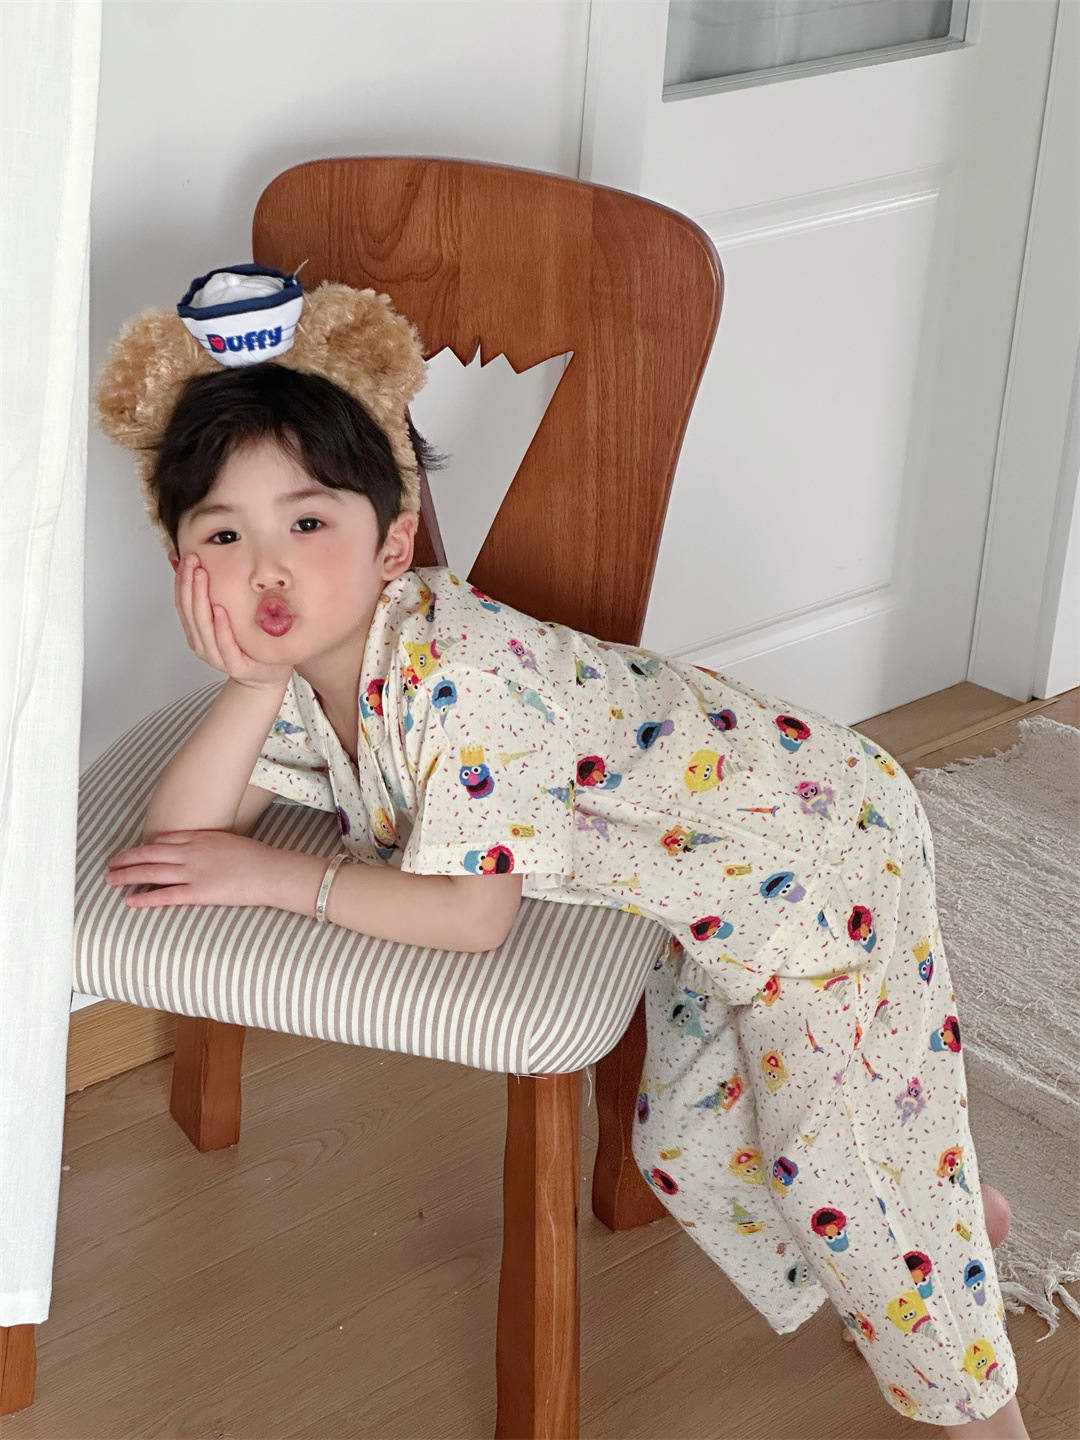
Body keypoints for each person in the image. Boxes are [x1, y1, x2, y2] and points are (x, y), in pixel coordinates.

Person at [98, 274, 1029, 1439]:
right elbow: (182, 845)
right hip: (711, 893)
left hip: (821, 859)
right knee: (685, 1146)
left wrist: (282, 877)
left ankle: (971, 1396)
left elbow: (470, 919)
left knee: (833, 1165)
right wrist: (247, 682)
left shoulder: (463, 675)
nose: (268, 569)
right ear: (182, 564)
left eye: (307, 523)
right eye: (223, 536)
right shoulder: (303, 672)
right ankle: (948, 1233)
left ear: (391, 545)